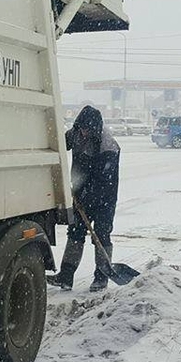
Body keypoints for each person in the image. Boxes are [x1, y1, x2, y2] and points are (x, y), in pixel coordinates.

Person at [47, 105, 120, 292]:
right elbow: (60, 146)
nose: (84, 133)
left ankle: (101, 277)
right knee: (75, 233)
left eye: (87, 130)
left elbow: (105, 181)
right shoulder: (76, 134)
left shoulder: (108, 146)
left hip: (105, 198)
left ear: (95, 128)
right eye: (81, 129)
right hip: (81, 195)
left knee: (101, 234)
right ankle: (66, 276)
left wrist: (86, 198)